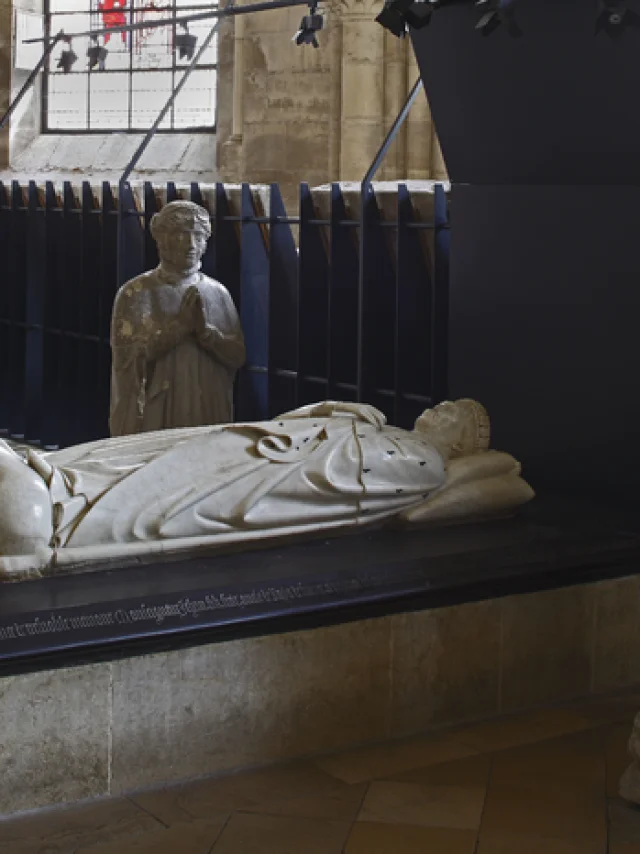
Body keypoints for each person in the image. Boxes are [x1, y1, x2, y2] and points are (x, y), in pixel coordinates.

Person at [0, 399, 534, 579]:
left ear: (462, 446)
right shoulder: (385, 426)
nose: (439, 410)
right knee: (159, 454)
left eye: (456, 418)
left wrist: (345, 429)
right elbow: (296, 425)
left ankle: (64, 512)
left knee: (174, 489)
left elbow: (339, 478)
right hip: (259, 446)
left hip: (268, 474)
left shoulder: (424, 463)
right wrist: (339, 415)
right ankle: (58, 480)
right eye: (447, 404)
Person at [109, 201, 246, 437]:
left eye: (199, 236)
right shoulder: (137, 292)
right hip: (160, 406)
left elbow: (237, 356)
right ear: (162, 239)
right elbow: (128, 358)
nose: (191, 245)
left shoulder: (217, 292)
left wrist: (208, 335)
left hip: (206, 403)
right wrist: (178, 329)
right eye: (182, 235)